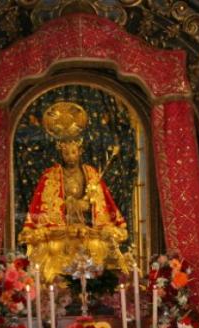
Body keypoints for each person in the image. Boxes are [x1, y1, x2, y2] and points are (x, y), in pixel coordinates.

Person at [18, 102, 129, 283]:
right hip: (61, 230)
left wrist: (88, 204)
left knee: (99, 245)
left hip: (86, 227)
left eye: (73, 152)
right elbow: (41, 208)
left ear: (80, 151)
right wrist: (68, 205)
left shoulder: (91, 174)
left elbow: (103, 204)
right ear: (61, 153)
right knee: (52, 249)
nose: (70, 156)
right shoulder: (51, 175)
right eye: (66, 153)